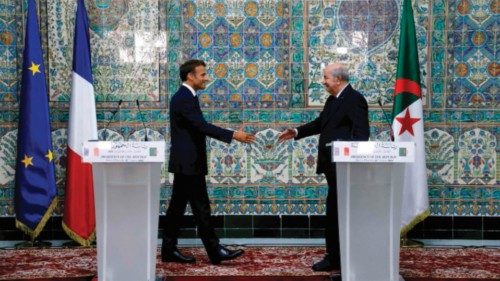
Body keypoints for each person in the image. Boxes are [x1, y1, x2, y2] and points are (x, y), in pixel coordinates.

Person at [162, 59, 255, 265]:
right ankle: (214, 251)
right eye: (203, 74)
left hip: (186, 163)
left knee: (177, 208)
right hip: (188, 163)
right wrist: (233, 134)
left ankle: (169, 249)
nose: (206, 78)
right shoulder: (184, 98)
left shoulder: (186, 96)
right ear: (190, 76)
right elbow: (202, 126)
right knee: (200, 207)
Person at [278, 63, 370, 272]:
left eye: (326, 77)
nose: (323, 81)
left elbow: (362, 135)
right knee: (334, 211)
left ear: (338, 79)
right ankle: (336, 255)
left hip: (345, 168)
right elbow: (321, 123)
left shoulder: (355, 100)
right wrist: (296, 131)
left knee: (337, 212)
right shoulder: (332, 100)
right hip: (332, 166)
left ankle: (337, 258)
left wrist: (349, 157)